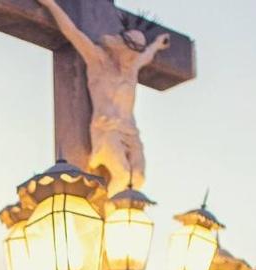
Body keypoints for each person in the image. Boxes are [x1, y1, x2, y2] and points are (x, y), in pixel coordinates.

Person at [36, 0, 170, 197]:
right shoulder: (98, 61)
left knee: (139, 178)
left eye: (137, 51)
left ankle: (116, 211)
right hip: (106, 130)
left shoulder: (131, 71)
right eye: (131, 49)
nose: (134, 55)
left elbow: (147, 56)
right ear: (121, 46)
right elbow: (72, 32)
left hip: (131, 133)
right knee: (123, 176)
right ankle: (103, 211)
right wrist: (51, 5)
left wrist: (157, 45)